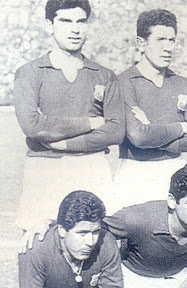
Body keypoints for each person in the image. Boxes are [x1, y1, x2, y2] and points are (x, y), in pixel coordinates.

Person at [13, 0, 124, 230]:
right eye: (65, 21)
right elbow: (33, 125)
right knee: (40, 241)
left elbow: (115, 130)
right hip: (45, 168)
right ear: (49, 25)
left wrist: (64, 144)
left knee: (97, 239)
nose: (75, 29)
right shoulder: (29, 73)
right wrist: (91, 122)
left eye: (80, 22)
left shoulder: (104, 75)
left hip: (93, 167)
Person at [115, 9, 187, 209]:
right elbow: (138, 137)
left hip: (175, 171)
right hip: (136, 173)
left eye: (171, 40)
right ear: (141, 43)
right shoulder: (124, 82)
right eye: (160, 40)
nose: (168, 48)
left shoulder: (183, 84)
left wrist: (154, 132)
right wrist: (181, 127)